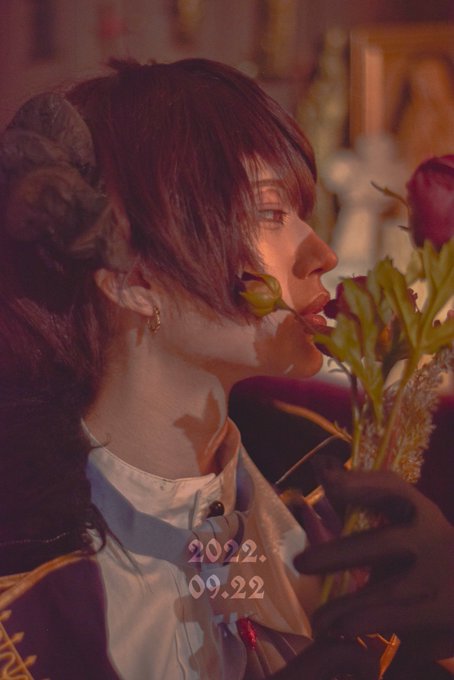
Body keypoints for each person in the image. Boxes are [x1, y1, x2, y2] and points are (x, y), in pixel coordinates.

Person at [0, 58, 452, 680]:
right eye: (269, 213)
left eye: (302, 213)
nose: (322, 253)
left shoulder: (323, 483)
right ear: (133, 280)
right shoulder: (27, 575)